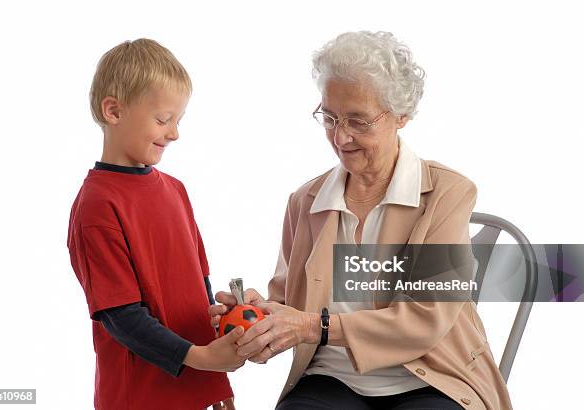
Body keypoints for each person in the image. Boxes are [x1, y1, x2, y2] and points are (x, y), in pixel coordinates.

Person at [210, 31, 513, 409]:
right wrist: (257, 319)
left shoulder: (448, 194)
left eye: (359, 121)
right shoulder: (305, 202)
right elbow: (291, 302)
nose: (341, 137)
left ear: (401, 114)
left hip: (432, 378)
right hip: (331, 379)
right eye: (330, 117)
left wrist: (310, 326)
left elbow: (425, 318)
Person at [67, 38, 246, 410]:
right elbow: (122, 317)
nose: (174, 133)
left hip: (198, 388)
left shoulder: (176, 190)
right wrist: (201, 359)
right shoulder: (97, 206)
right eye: (163, 120)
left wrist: (216, 382)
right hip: (140, 398)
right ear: (113, 111)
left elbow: (201, 290)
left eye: (178, 121)